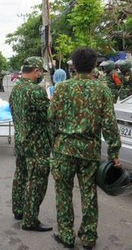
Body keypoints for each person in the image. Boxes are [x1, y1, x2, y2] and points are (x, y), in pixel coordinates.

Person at [50, 48, 122, 249]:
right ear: (94, 65)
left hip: (64, 150)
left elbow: (51, 117)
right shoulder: (102, 90)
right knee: (89, 194)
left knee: (63, 193)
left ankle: (66, 235)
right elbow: (109, 123)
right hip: (89, 151)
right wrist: (114, 152)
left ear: (72, 65)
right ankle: (89, 238)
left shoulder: (62, 88)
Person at [9, 56, 52, 232]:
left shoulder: (16, 89)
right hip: (37, 144)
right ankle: (30, 220)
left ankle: (19, 210)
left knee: (20, 176)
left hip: (21, 140)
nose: (41, 74)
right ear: (35, 71)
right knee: (37, 181)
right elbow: (49, 117)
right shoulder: (36, 91)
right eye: (41, 71)